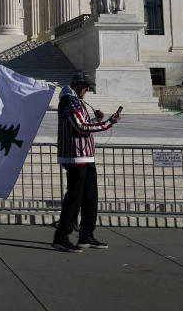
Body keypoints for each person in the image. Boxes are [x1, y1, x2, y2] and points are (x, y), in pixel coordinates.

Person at [53, 72, 121, 252]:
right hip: (75, 156)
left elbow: (83, 124)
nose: (87, 89)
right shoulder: (68, 101)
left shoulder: (77, 100)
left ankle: (86, 235)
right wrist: (107, 124)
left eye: (87, 86)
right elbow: (81, 127)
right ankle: (61, 236)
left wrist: (97, 121)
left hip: (86, 155)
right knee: (74, 197)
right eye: (84, 85)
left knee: (90, 197)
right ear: (75, 85)